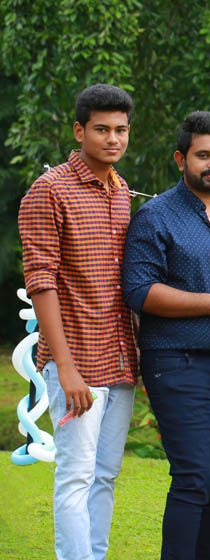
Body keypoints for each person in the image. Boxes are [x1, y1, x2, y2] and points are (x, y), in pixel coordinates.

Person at [123, 111, 210, 559]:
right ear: (181, 159)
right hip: (177, 362)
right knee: (192, 480)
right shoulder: (155, 216)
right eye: (203, 155)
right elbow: (140, 291)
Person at [18, 83, 137, 560]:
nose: (113, 139)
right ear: (79, 131)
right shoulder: (49, 190)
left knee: (105, 475)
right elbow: (41, 281)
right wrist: (65, 368)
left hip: (121, 359)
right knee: (75, 476)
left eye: (121, 130)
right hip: (77, 360)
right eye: (102, 129)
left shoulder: (122, 191)